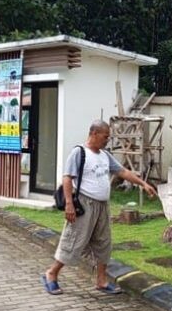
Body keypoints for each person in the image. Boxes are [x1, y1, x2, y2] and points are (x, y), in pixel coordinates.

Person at [41, 120, 157, 295]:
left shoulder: (104, 155)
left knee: (104, 243)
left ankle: (101, 281)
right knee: (73, 241)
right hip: (84, 204)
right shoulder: (79, 153)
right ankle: (51, 273)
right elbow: (67, 178)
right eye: (105, 136)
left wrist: (143, 184)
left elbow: (122, 172)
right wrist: (69, 205)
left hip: (102, 206)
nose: (107, 140)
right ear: (94, 133)